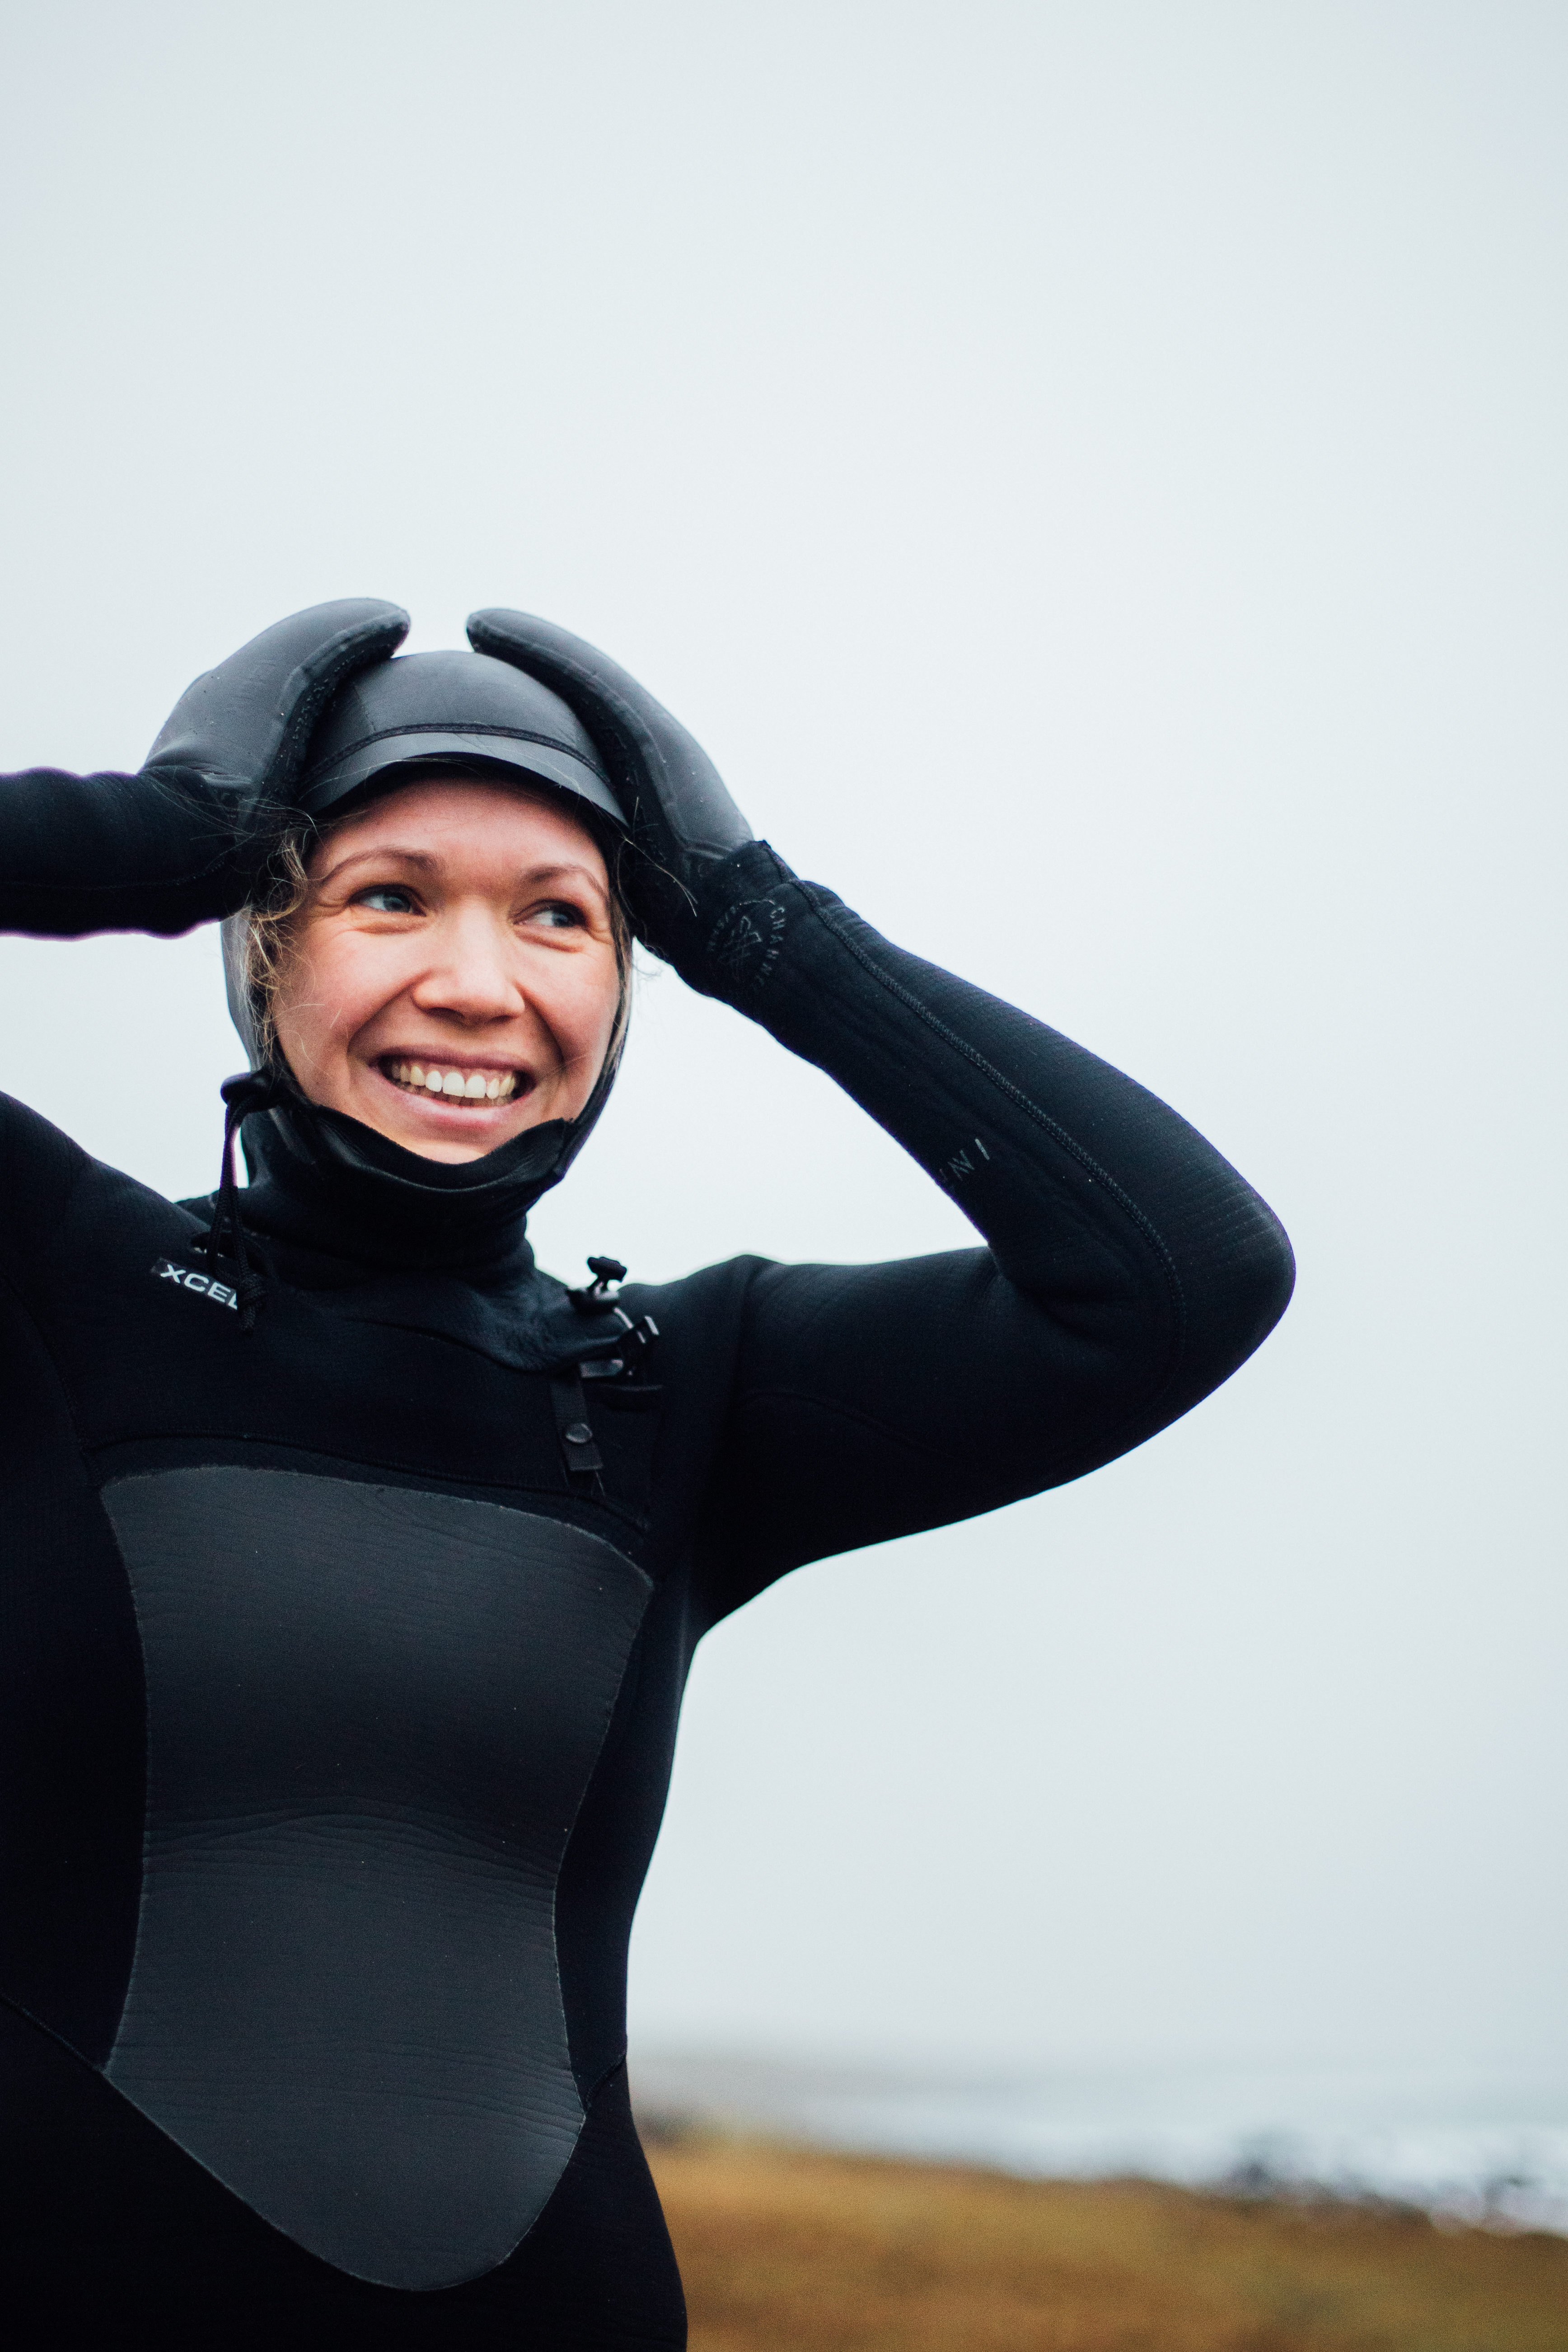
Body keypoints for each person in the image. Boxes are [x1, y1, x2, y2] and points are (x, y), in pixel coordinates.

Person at [0, 599, 1293, 2345]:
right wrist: (155, 837)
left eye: (564, 919)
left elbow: (1180, 1279)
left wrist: (761, 924)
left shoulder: (686, 1389)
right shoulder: (58, 1283)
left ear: (625, 988)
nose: (481, 981)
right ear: (265, 947)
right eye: (390, 896)